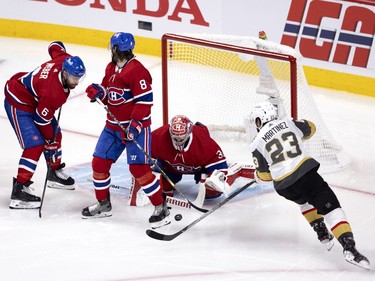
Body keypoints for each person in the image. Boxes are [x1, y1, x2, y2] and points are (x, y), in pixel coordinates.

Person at [208, 101, 370, 270]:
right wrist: (295, 124)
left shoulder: (256, 143)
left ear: (260, 120)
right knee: (332, 209)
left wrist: (257, 175)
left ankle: (321, 231)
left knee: (304, 201)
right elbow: (312, 129)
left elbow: (264, 177)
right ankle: (349, 247)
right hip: (305, 175)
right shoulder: (288, 123)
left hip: (284, 187)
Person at [81, 32, 169, 229]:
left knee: (139, 169)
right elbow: (109, 93)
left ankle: (160, 206)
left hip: (136, 129)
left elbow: (145, 102)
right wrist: (98, 92)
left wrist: (135, 125)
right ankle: (104, 204)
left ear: (115, 49)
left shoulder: (138, 72)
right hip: (112, 127)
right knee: (99, 163)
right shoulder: (111, 68)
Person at [4, 41, 86, 209]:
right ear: (64, 73)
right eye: (74, 78)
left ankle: (53, 172)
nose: (77, 82)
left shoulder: (64, 59)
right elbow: (41, 120)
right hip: (18, 102)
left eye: (79, 77)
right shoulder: (53, 93)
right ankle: (19, 191)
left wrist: (51, 137)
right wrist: (48, 139)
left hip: (34, 98)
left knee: (55, 134)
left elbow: (55, 46)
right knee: (35, 144)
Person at [134, 114, 255, 207]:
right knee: (160, 186)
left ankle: (238, 169)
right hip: (170, 168)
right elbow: (140, 154)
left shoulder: (203, 142)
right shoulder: (158, 136)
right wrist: (147, 167)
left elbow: (221, 167)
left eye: (181, 137)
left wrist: (215, 178)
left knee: (213, 191)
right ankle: (167, 181)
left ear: (189, 132)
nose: (178, 140)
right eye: (175, 137)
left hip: (200, 168)